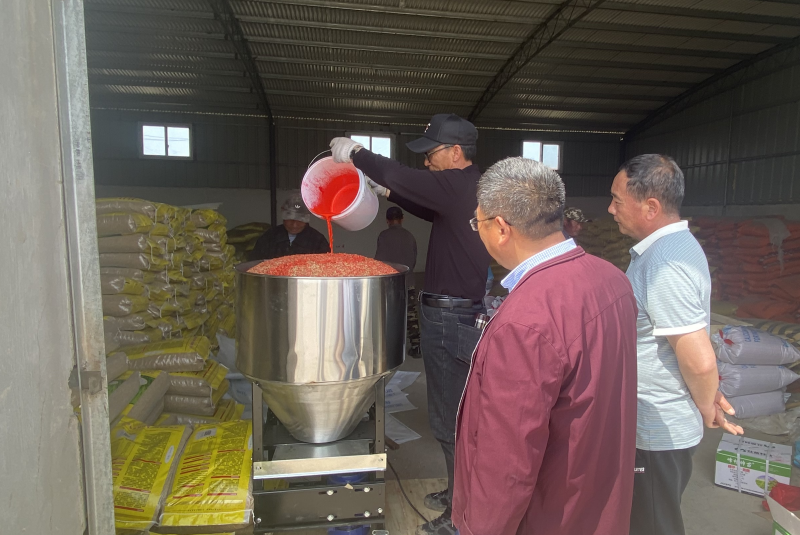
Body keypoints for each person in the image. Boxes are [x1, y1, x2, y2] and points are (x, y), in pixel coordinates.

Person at [452, 157, 639, 535]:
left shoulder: (524, 322)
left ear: (501, 228)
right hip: (599, 502)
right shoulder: (612, 280)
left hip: (548, 517)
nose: (478, 232)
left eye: (477, 222)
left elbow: (506, 463)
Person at [330, 114, 492, 535]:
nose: (426, 162)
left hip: (452, 317)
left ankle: (461, 515)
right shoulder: (464, 190)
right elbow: (425, 205)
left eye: (431, 153)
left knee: (450, 419)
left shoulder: (459, 183)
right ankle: (458, 494)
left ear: (455, 152)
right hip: (454, 312)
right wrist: (385, 192)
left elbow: (402, 174)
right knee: (451, 415)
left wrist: (357, 154)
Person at [608, 154, 743, 535]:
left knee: (653, 525)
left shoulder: (666, 264)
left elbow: (699, 360)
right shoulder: (670, 249)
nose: (611, 209)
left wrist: (707, 404)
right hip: (656, 425)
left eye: (617, 200)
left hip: (658, 431)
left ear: (651, 207)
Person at [375, 206, 420, 357]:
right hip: (407, 280)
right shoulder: (409, 236)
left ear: (387, 220)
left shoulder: (383, 236)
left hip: (390, 283)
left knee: (389, 314)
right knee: (411, 314)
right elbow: (413, 259)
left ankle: (389, 348)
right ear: (402, 219)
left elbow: (379, 260)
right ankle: (416, 346)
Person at [248, 192, 329, 261]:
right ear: (283, 217)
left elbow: (326, 266)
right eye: (290, 220)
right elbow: (255, 263)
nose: (294, 225)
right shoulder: (270, 237)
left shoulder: (317, 241)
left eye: (300, 221)